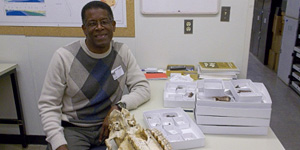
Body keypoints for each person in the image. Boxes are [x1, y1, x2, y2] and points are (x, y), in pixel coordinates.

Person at [38, 1, 151, 150]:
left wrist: (118, 107)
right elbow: (48, 105)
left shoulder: (122, 52)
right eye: (92, 23)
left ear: (114, 25)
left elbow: (143, 88)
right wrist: (58, 143)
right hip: (74, 128)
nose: (99, 27)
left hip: (110, 125)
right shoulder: (64, 57)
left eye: (104, 22)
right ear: (84, 29)